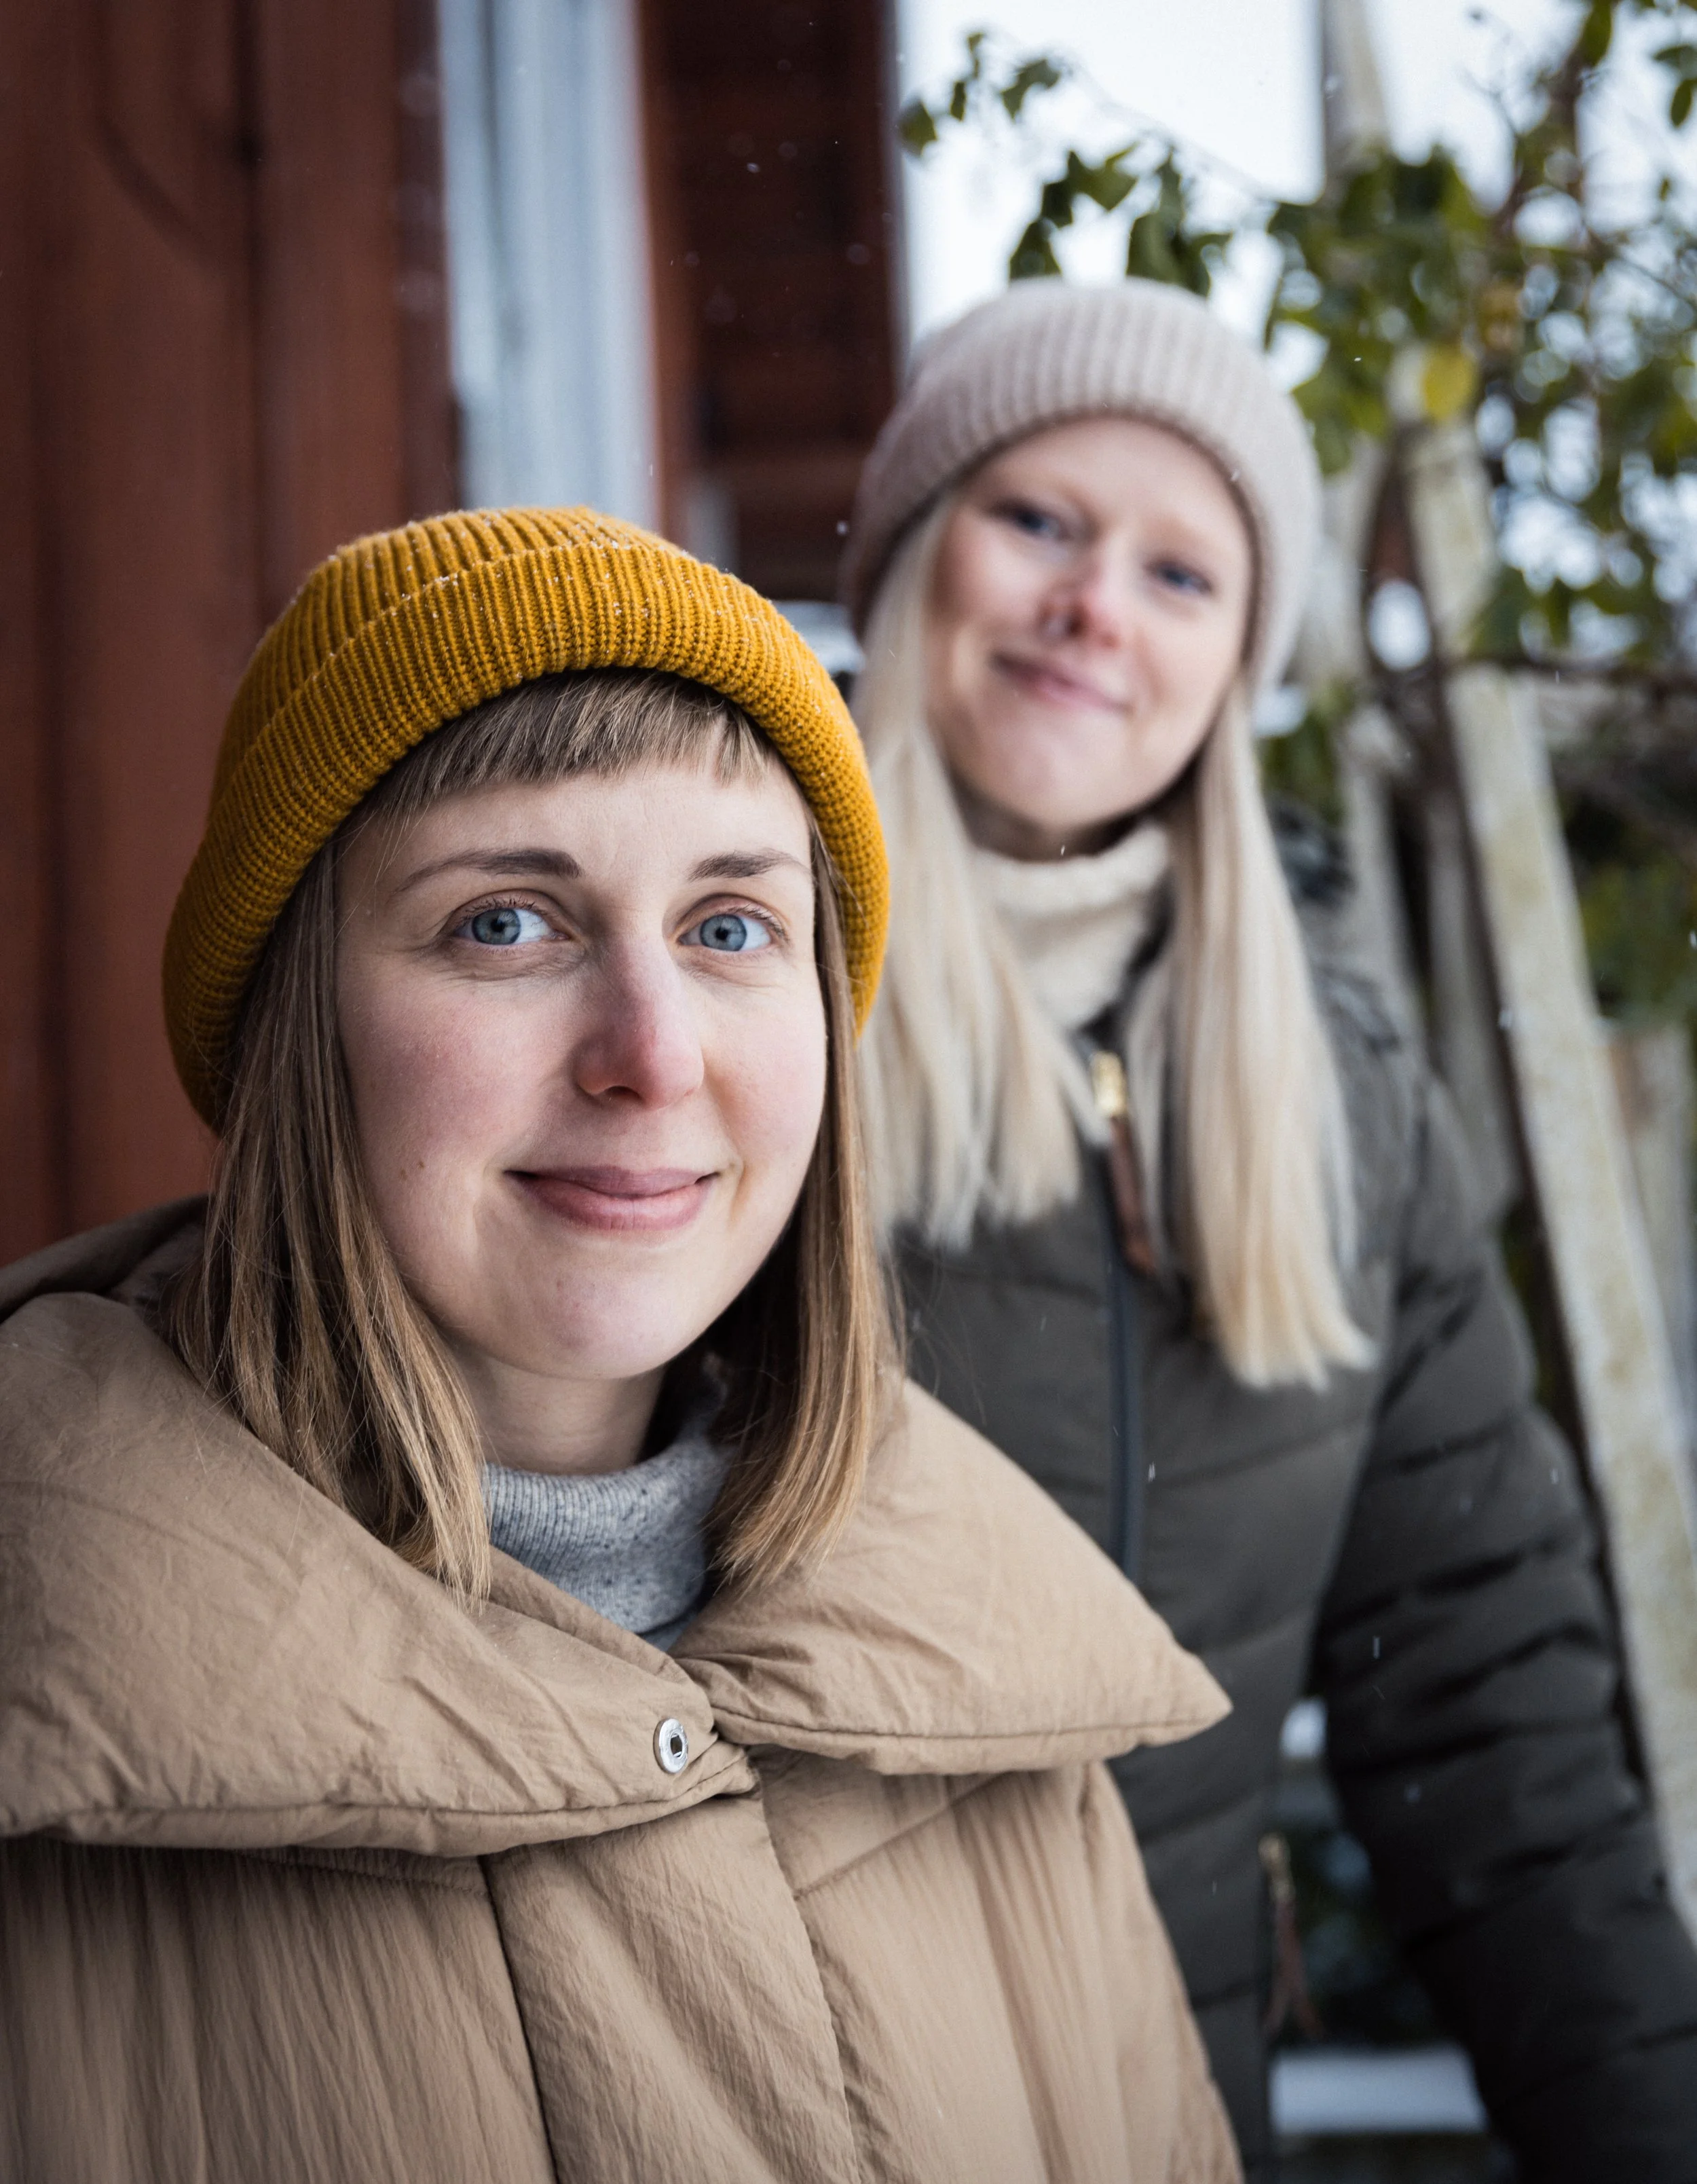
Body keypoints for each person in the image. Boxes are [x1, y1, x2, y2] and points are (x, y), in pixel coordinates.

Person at [0, 508, 1240, 2183]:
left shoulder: (1008, 1709)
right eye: (505, 921)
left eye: (731, 928)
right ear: (302, 1019)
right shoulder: (43, 1707)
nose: (650, 1055)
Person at [844, 280, 1697, 2183]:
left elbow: (1485, 1717)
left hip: (1164, 2112)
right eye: (1038, 520)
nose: (1093, 611)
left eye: (1179, 573)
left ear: (1238, 661)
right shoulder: (722, 1012)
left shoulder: (1339, 1097)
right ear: (910, 557)